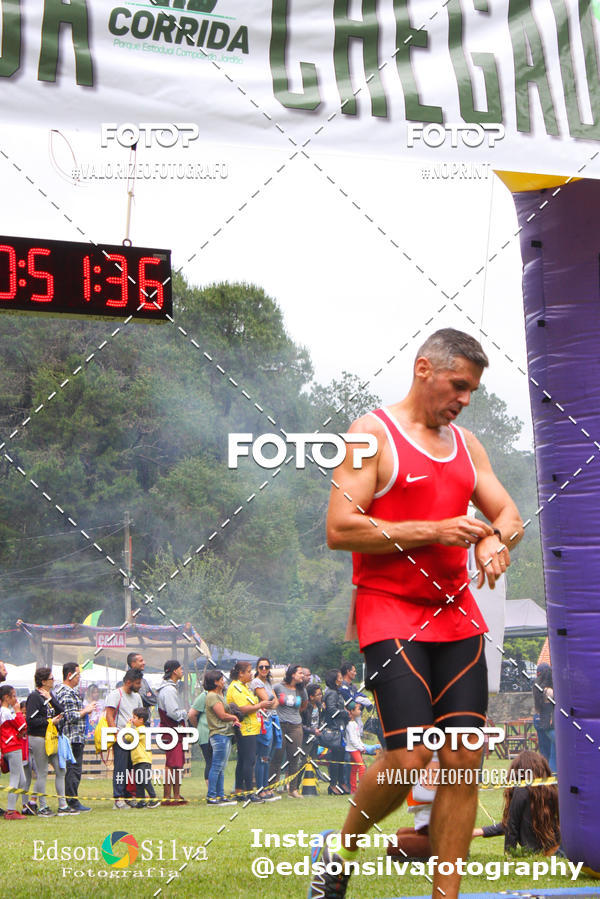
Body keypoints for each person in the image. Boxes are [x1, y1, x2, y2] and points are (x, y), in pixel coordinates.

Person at [310, 329, 524, 899]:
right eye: (459, 385)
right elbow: (340, 528)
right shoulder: (369, 433)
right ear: (424, 368)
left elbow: (507, 513)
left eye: (473, 390)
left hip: (457, 614)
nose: (464, 399)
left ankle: (445, 895)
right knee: (409, 755)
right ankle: (340, 850)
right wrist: (438, 529)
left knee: (463, 758)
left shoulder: (467, 445)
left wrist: (491, 542)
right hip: (389, 609)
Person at [472, 750, 560, 853]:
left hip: (535, 855)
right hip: (557, 849)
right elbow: (511, 823)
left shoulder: (521, 791)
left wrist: (509, 856)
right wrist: (480, 831)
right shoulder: (552, 790)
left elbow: (512, 826)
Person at [26, 667, 76, 817]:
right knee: (42, 772)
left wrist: (51, 698)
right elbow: (31, 720)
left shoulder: (48, 695)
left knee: (61, 769)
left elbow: (62, 711)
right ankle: (42, 807)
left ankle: (63, 805)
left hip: (53, 738)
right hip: (39, 738)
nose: (54, 681)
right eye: (51, 679)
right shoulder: (34, 697)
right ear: (43, 681)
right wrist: (50, 721)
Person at [53, 662, 96, 812]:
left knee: (72, 769)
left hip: (73, 736)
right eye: (78, 674)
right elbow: (70, 716)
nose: (79, 678)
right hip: (72, 736)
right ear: (69, 675)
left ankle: (71, 799)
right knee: (73, 770)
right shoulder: (66, 692)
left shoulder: (63, 691)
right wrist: (86, 710)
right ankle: (72, 800)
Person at [226, 661, 270, 802]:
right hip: (245, 729)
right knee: (249, 761)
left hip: (251, 728)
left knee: (243, 761)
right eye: (249, 671)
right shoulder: (236, 688)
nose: (251, 674)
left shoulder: (244, 687)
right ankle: (249, 792)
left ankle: (240, 791)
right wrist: (260, 705)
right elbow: (242, 708)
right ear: (241, 673)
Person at [105, 667, 142, 809]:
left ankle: (128, 796)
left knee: (129, 768)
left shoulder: (137, 697)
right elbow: (109, 714)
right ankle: (118, 798)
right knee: (120, 768)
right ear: (128, 682)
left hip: (134, 737)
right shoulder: (116, 695)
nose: (139, 686)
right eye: (137, 683)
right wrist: (115, 734)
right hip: (121, 736)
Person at [204, 668, 239, 806]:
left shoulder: (219, 695)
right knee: (217, 765)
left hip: (225, 734)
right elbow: (222, 715)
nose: (224, 682)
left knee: (221, 766)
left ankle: (220, 795)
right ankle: (212, 796)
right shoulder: (212, 696)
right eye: (221, 680)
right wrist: (234, 717)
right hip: (219, 734)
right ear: (215, 682)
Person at [274, 664, 308, 799]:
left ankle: (293, 789)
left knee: (295, 757)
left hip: (296, 726)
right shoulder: (278, 687)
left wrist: (293, 715)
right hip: (280, 725)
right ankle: (271, 786)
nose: (303, 676)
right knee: (277, 756)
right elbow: (272, 703)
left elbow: (304, 705)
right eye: (300, 673)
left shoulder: (301, 690)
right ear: (292, 674)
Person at [156, 660, 188, 806]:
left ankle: (175, 795)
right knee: (172, 764)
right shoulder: (169, 690)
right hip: (171, 730)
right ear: (174, 671)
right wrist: (186, 713)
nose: (182, 671)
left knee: (176, 764)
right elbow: (173, 713)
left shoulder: (169, 688)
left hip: (171, 730)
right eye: (180, 669)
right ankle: (168, 796)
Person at [250, 657, 280, 801]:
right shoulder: (256, 682)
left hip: (271, 720)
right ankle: (260, 789)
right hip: (262, 722)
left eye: (266, 667)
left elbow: (276, 703)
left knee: (267, 757)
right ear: (257, 668)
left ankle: (266, 786)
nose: (263, 669)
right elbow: (267, 702)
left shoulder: (268, 682)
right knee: (262, 756)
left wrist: (271, 702)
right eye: (261, 667)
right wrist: (270, 702)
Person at [0, 684, 30, 819]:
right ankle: (10, 811)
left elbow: (19, 729)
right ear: (6, 697)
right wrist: (18, 711)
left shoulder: (3, 712)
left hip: (10, 745)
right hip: (12, 747)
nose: (16, 700)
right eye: (14, 696)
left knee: (22, 781)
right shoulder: (6, 712)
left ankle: (12, 808)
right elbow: (23, 725)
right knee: (15, 778)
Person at [321, 668, 350, 795]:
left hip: (340, 728)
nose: (341, 679)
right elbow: (332, 710)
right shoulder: (332, 693)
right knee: (336, 758)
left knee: (341, 756)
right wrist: (345, 713)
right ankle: (333, 784)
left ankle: (340, 782)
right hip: (334, 729)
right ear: (334, 680)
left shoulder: (336, 692)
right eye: (339, 677)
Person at [126, 707, 160, 808]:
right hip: (137, 760)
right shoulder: (138, 729)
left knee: (144, 780)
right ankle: (141, 802)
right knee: (139, 782)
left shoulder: (141, 730)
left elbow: (128, 737)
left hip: (143, 760)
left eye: (134, 717)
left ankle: (154, 799)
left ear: (141, 720)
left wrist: (128, 725)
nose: (132, 719)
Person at [344, 702, 379, 793]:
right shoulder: (350, 725)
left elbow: (358, 738)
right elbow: (352, 740)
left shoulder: (354, 723)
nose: (360, 711)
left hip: (357, 748)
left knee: (354, 769)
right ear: (351, 711)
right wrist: (360, 747)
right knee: (362, 767)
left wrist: (362, 746)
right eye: (358, 709)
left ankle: (353, 789)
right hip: (353, 749)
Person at [532, 664, 556, 772]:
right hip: (548, 721)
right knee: (552, 750)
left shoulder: (538, 687)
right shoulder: (550, 691)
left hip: (540, 719)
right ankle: (550, 772)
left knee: (545, 750)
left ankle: (545, 772)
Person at [188, 688, 212, 791]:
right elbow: (191, 714)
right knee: (210, 761)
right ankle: (211, 790)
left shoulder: (222, 695)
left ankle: (217, 790)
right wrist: (198, 727)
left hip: (218, 733)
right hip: (205, 734)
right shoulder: (204, 696)